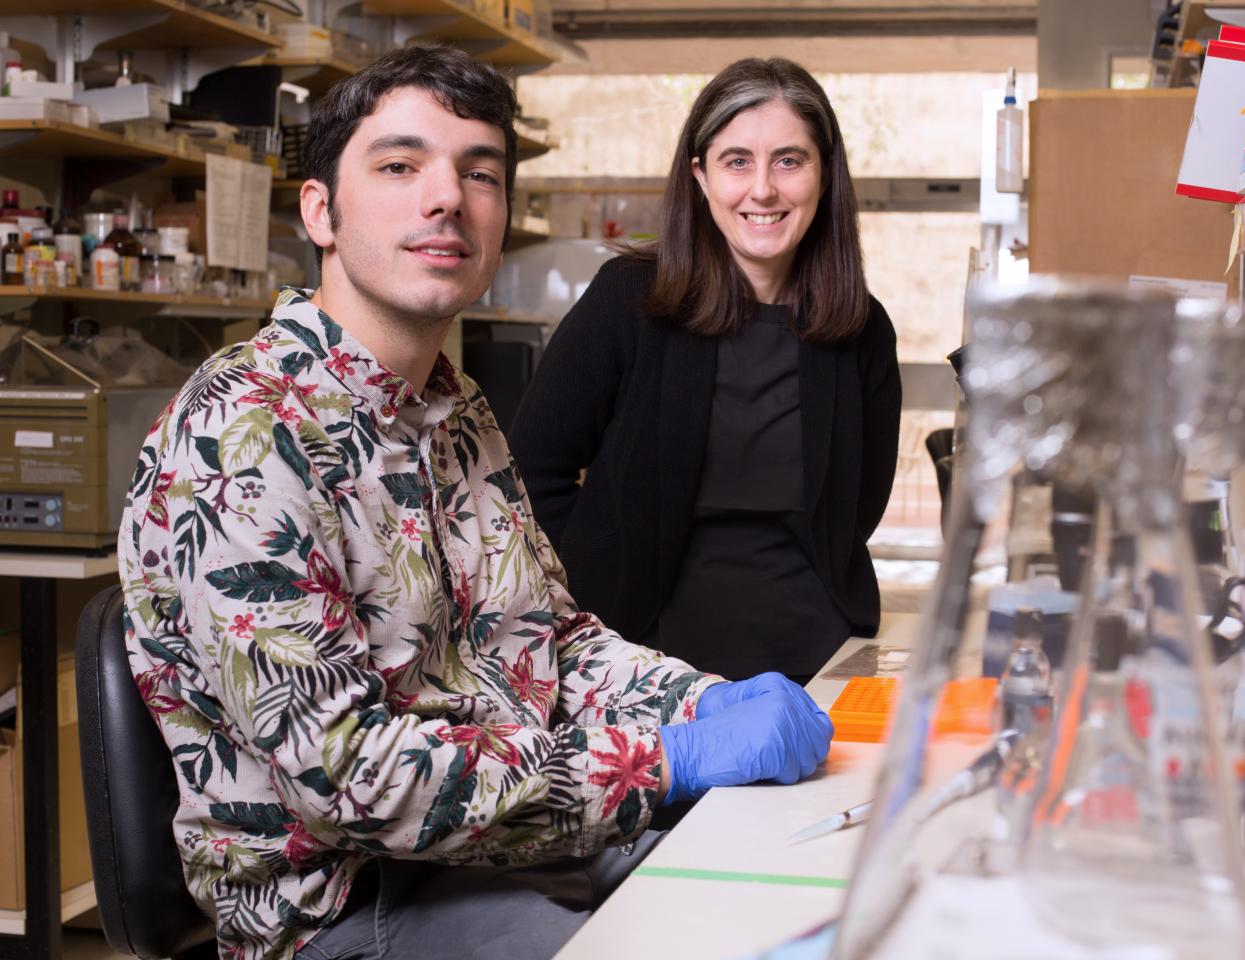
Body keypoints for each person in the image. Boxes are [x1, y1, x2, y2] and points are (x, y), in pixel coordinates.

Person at [118, 44, 832, 960]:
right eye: (400, 166)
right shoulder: (243, 434)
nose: (447, 197)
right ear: (320, 212)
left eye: (479, 173)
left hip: (514, 846)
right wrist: (667, 760)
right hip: (353, 905)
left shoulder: (455, 416)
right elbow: (356, 784)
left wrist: (705, 703)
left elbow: (557, 645)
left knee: (789, 900)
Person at [509, 58, 902, 684]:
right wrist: (596, 582)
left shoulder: (861, 328)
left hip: (818, 658)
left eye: (790, 160)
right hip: (645, 661)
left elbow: (859, 509)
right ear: (700, 175)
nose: (763, 189)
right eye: (737, 160)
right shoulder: (629, 300)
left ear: (825, 175)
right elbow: (529, 472)